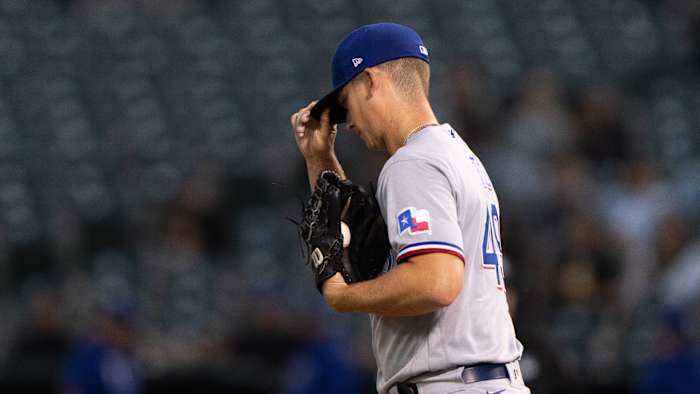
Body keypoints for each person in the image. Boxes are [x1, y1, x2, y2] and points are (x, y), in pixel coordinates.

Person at [290, 23, 529, 394]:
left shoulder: (412, 163)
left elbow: (435, 281)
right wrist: (320, 158)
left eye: (345, 104)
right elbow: (364, 248)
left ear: (370, 81)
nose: (348, 122)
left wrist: (342, 297)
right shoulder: (454, 154)